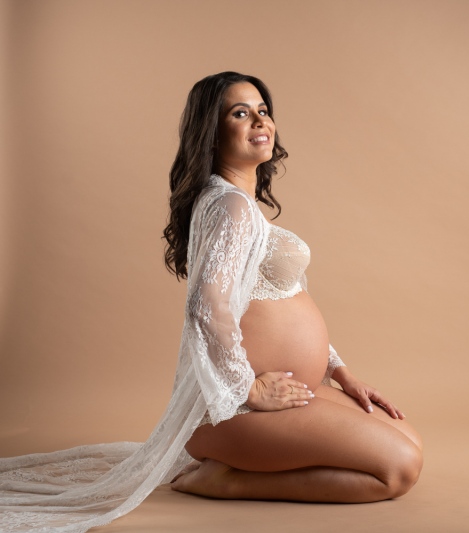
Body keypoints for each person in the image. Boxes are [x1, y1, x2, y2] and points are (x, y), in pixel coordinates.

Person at [0, 71, 422, 532]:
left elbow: (285, 295)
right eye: (240, 113)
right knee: (399, 467)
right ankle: (227, 481)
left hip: (287, 393)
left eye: (263, 110)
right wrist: (247, 389)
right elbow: (208, 305)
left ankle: (241, 464)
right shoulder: (230, 207)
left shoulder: (240, 204)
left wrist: (341, 373)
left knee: (408, 439)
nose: (260, 120)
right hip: (236, 411)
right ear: (213, 131)